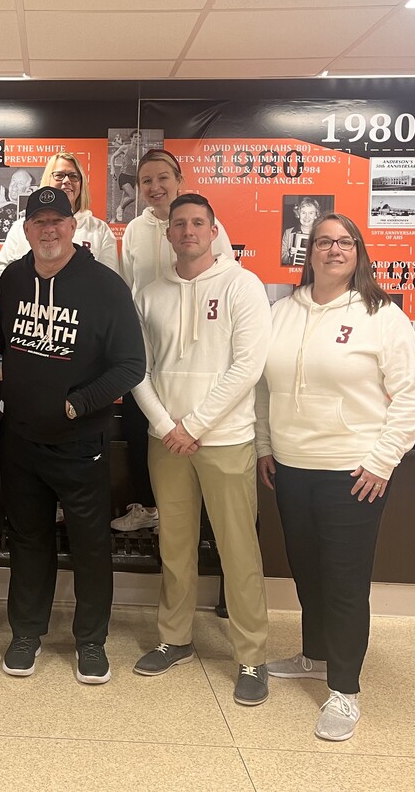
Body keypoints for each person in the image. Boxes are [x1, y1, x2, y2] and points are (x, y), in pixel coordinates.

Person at [256, 213, 415, 742]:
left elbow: (410, 395)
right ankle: (314, 656)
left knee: (345, 583)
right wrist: (264, 445)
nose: (334, 250)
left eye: (344, 242)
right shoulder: (283, 310)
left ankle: (345, 691)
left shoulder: (382, 314)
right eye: (324, 241)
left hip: (352, 470)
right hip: (290, 465)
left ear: (358, 252)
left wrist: (382, 460)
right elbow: (263, 388)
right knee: (307, 572)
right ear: (308, 251)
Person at [0, 186, 145, 685]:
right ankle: (26, 634)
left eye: (57, 220)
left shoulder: (105, 286)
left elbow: (131, 365)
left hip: (82, 444)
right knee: (28, 541)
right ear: (25, 229)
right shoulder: (14, 278)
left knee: (89, 546)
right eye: (38, 221)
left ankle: (90, 641)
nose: (48, 230)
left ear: (73, 226)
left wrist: (79, 401)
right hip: (20, 442)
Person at [130, 193, 272, 706]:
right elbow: (135, 370)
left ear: (214, 231)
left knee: (238, 550)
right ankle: (175, 639)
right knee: (175, 546)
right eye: (178, 224)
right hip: (165, 440)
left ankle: (252, 656)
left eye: (197, 223)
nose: (187, 231)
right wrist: (169, 425)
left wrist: (196, 424)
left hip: (226, 439)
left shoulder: (242, 285)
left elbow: (247, 367)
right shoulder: (147, 294)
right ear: (167, 234)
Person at [115, 149, 235, 533]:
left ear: (179, 179)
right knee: (140, 427)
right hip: (147, 350)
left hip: (197, 355)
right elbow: (129, 288)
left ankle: (195, 517)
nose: (155, 186)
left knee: (193, 431)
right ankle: (147, 506)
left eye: (163, 177)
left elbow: (226, 282)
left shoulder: (207, 224)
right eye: (146, 180)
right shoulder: (134, 230)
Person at [0, 153, 118, 279]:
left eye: (73, 176)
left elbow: (109, 280)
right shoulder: (19, 228)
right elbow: (3, 277)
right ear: (47, 179)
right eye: (59, 175)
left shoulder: (100, 230)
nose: (66, 181)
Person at [281, 197, 322, 266]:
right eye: (303, 213)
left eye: (311, 213)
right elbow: (280, 257)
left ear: (316, 215)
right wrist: (289, 254)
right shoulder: (288, 233)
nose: (307, 217)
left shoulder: (322, 234)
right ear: (298, 214)